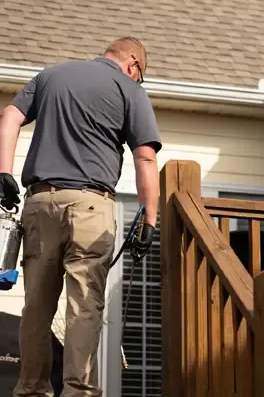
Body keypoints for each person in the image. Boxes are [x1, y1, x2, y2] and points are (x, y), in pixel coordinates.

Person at [0, 36, 162, 397]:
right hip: (90, 206)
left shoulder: (51, 75)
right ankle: (78, 391)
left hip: (40, 202)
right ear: (133, 64)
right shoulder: (129, 89)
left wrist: (4, 173)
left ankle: (31, 390)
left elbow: (9, 117)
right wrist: (150, 220)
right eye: (141, 75)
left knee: (37, 306)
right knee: (84, 304)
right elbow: (146, 157)